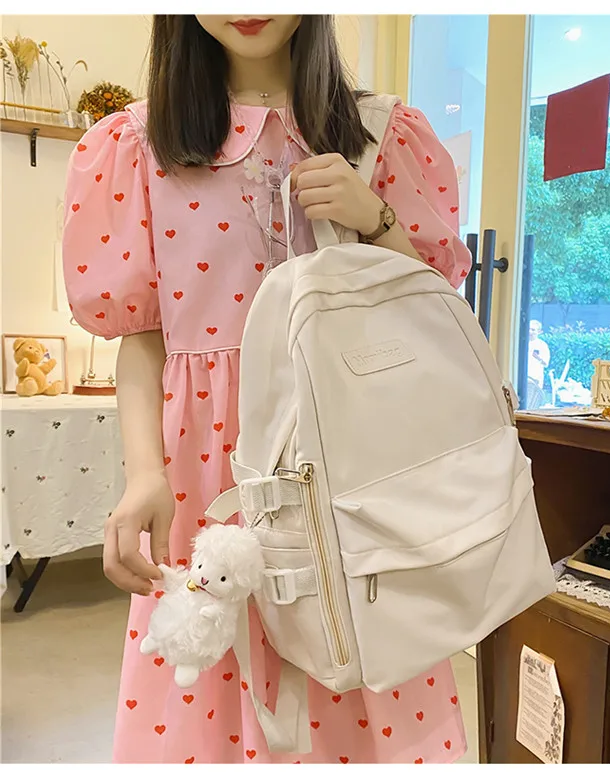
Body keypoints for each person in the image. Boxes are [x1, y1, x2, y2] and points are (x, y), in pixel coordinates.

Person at [63, 14, 471, 765]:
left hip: (349, 462)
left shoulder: (384, 133)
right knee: (209, 659)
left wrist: (376, 219)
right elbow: (144, 336)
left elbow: (427, 309)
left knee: (359, 656)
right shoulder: (138, 145)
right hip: (204, 466)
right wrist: (145, 471)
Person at [528, 320, 550, 390]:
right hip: (523, 377)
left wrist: (538, 357)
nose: (530, 332)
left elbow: (546, 363)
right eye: (529, 329)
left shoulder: (542, 345)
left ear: (539, 332)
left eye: (533, 330)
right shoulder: (521, 342)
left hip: (535, 378)